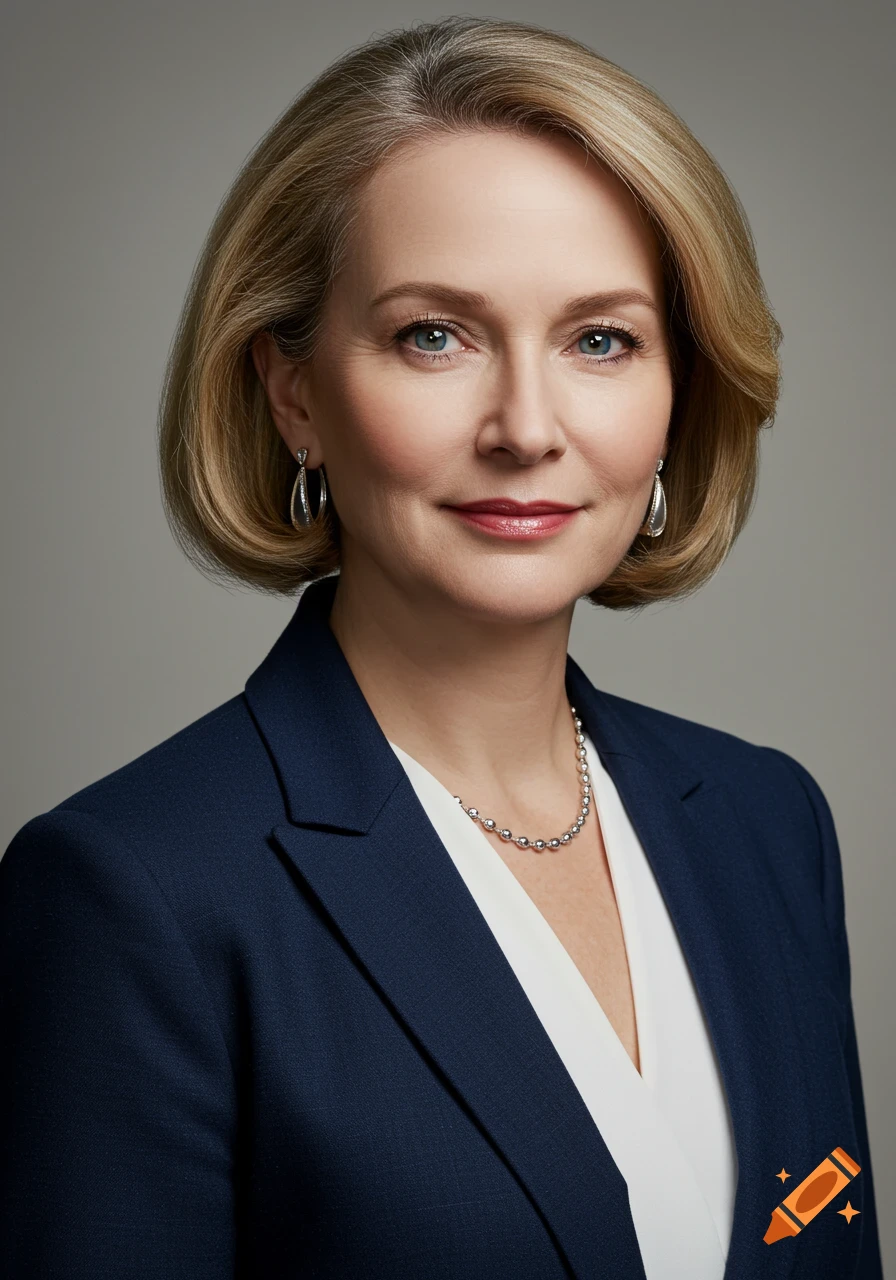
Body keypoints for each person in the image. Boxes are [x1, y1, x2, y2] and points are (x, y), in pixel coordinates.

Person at [0, 15, 882, 1280]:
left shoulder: (766, 818)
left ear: (678, 391)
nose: (526, 427)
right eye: (435, 334)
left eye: (600, 339)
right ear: (292, 391)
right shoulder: (134, 892)